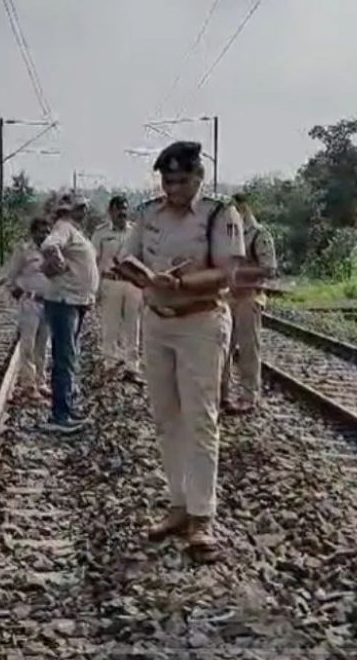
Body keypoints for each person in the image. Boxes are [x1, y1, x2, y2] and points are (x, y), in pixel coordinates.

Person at [121, 140, 244, 559]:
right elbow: (128, 257)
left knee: (201, 418)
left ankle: (202, 516)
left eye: (182, 179)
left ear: (198, 178)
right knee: (166, 418)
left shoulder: (219, 214)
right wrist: (139, 275)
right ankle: (177, 504)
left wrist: (181, 283)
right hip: (157, 321)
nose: (173, 187)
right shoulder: (148, 214)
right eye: (167, 180)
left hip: (200, 322)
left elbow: (227, 273)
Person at [39, 193, 100, 433]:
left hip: (74, 301)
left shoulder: (73, 230)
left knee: (69, 357)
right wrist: (57, 262)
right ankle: (59, 415)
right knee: (64, 358)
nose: (84, 212)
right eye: (80, 208)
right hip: (64, 302)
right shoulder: (63, 228)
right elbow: (49, 245)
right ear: (68, 210)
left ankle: (66, 407)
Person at [220, 192, 277, 414]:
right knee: (223, 348)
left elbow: (269, 268)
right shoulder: (228, 235)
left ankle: (248, 396)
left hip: (249, 296)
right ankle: (222, 393)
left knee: (248, 350)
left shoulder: (259, 234)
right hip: (229, 297)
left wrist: (239, 272)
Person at [94, 195, 143, 382]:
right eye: (118, 209)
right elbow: (95, 260)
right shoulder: (101, 233)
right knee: (110, 325)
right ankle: (110, 364)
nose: (122, 212)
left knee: (133, 326)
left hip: (132, 284)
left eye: (125, 208)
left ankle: (132, 367)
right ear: (111, 211)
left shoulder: (135, 232)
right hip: (111, 282)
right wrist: (96, 287)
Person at [3, 217, 53, 400]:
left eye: (48, 231)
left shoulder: (53, 251)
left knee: (43, 345)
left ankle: (41, 382)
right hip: (30, 302)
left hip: (48, 303)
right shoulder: (24, 251)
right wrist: (18, 293)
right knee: (28, 344)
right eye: (41, 231)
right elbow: (11, 276)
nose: (45, 234)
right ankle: (28, 384)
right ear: (33, 233)